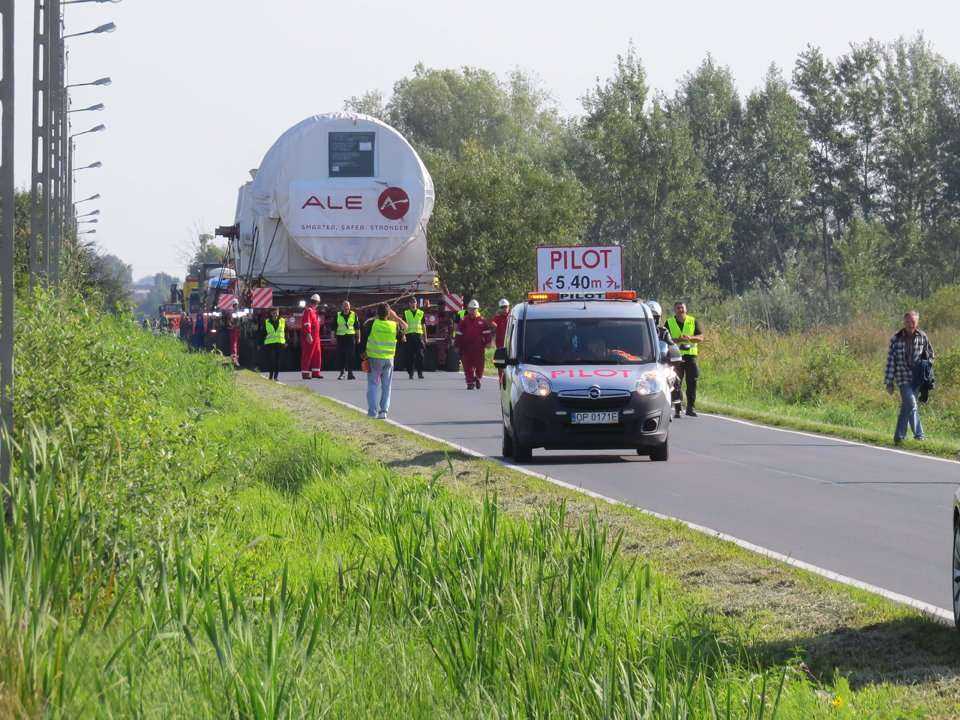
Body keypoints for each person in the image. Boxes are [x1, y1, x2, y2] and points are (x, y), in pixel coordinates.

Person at [885, 310, 935, 444]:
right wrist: (889, 382)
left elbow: (931, 354)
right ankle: (920, 435)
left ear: (917, 322)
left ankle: (899, 437)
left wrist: (926, 364)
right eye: (908, 321)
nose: (910, 324)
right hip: (903, 378)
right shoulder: (896, 338)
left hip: (917, 379)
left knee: (907, 407)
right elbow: (891, 361)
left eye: (913, 321)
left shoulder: (922, 336)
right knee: (912, 404)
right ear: (904, 322)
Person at [359, 303, 408, 419]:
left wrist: (362, 354)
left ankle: (372, 412)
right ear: (388, 314)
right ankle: (383, 411)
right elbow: (405, 331)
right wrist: (396, 318)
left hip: (374, 359)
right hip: (389, 359)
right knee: (386, 386)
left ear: (377, 313)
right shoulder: (394, 325)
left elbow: (363, 340)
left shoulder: (371, 324)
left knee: (373, 385)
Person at [665, 302, 703, 417]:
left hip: (691, 357)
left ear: (686, 309)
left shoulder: (693, 321)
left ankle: (690, 408)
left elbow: (701, 337)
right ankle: (677, 409)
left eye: (682, 308)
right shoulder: (669, 322)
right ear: (674, 310)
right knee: (676, 383)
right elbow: (665, 338)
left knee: (692, 382)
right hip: (675, 357)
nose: (680, 310)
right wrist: (678, 340)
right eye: (678, 308)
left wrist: (690, 338)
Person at [648, 300, 682, 417]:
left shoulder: (663, 332)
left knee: (674, 378)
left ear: (659, 317)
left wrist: (674, 351)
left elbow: (671, 344)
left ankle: (677, 407)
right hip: (646, 363)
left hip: (661, 362)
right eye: (651, 317)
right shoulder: (640, 331)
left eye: (655, 317)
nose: (653, 319)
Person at [456, 299, 493, 390]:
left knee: (479, 365)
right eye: (471, 309)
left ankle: (478, 378)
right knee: (467, 365)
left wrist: (488, 342)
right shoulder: (463, 320)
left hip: (479, 348)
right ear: (468, 310)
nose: (472, 311)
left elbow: (487, 333)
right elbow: (458, 333)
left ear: (477, 310)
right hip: (466, 347)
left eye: (474, 309)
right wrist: (457, 345)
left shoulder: (482, 321)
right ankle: (470, 382)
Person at [300, 293, 324, 380]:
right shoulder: (308, 311)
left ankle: (316, 372)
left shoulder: (315, 312)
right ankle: (305, 373)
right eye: (315, 302)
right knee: (308, 354)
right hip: (310, 335)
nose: (316, 304)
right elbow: (307, 323)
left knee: (317, 354)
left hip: (316, 336)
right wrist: (308, 334)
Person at [402, 297, 427, 380]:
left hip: (418, 336)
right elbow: (403, 325)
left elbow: (423, 326)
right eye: (411, 302)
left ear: (416, 303)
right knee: (410, 356)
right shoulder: (406, 313)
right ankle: (411, 373)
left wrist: (425, 337)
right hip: (409, 336)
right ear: (409, 304)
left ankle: (420, 373)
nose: (413, 304)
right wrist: (403, 335)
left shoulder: (421, 313)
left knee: (420, 355)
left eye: (414, 302)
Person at [334, 300, 359, 380]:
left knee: (351, 355)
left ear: (349, 306)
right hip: (341, 337)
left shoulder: (354, 314)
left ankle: (350, 373)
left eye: (347, 305)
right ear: (342, 307)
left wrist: (358, 337)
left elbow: (357, 327)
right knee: (341, 355)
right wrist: (332, 337)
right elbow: (333, 327)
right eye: (344, 305)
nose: (346, 307)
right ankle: (342, 373)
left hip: (350, 337)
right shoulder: (338, 315)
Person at [262, 307, 286, 381]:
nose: (275, 313)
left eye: (276, 312)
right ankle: (270, 375)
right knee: (271, 360)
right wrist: (261, 342)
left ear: (278, 312)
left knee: (278, 361)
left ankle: (276, 377)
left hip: (280, 343)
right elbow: (263, 333)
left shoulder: (282, 321)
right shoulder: (266, 321)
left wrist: (286, 341)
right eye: (273, 312)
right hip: (270, 344)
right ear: (270, 313)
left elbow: (286, 331)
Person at [491, 298, 511, 382]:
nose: (504, 309)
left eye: (506, 307)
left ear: (508, 307)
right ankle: (501, 378)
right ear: (500, 308)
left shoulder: (512, 316)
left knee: (510, 362)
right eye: (502, 307)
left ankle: (509, 378)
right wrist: (494, 325)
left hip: (510, 344)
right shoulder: (497, 317)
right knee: (500, 362)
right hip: (500, 344)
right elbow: (492, 322)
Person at [225, 298, 242, 367]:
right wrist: (232, 326)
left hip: (237, 330)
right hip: (233, 330)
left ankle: (235, 359)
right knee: (234, 344)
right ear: (233, 305)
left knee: (236, 345)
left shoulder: (238, 312)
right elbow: (229, 322)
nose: (236, 305)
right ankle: (234, 360)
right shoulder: (231, 312)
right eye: (235, 304)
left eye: (236, 304)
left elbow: (241, 320)